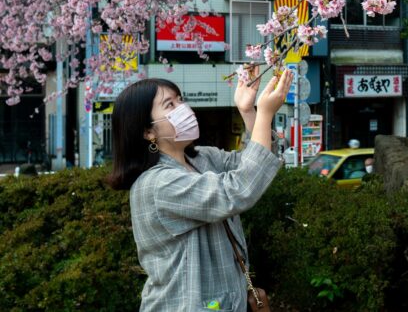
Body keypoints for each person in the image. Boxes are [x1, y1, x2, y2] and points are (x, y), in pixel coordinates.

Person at [107, 67, 292, 311]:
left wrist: (249, 112)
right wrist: (266, 115)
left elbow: (254, 164)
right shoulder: (156, 184)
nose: (183, 108)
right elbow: (238, 190)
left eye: (180, 99)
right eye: (170, 105)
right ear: (148, 131)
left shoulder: (202, 158)